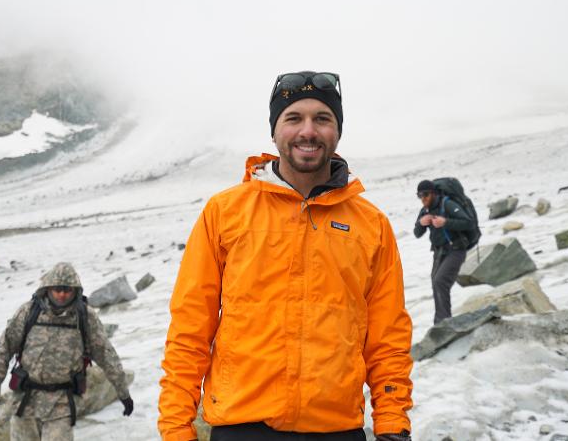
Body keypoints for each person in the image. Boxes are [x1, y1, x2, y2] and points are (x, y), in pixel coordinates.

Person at [158, 71, 413, 441]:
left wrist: (392, 422)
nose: (307, 131)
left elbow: (388, 337)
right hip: (242, 427)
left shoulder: (371, 225)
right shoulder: (225, 212)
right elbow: (189, 329)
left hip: (337, 429)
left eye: (322, 119)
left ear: (337, 131)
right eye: (293, 118)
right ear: (274, 131)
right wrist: (176, 428)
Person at [0, 262, 134, 441]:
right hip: (24, 401)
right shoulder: (28, 312)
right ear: (47, 289)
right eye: (57, 289)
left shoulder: (85, 317)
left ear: (75, 290)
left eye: (67, 290)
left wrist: (123, 393)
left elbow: (107, 356)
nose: (62, 294)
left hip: (61, 403)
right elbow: (2, 351)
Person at [413, 180, 476, 324]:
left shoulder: (447, 204)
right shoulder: (425, 211)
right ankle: (441, 322)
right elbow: (417, 233)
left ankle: (444, 321)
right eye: (420, 196)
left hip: (456, 250)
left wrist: (445, 222)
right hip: (439, 252)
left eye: (426, 195)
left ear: (433, 193)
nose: (423, 199)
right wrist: (421, 223)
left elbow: (468, 223)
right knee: (436, 284)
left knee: (440, 282)